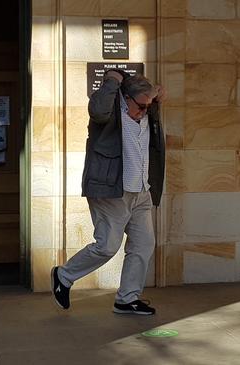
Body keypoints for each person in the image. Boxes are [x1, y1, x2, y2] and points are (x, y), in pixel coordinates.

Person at [51, 69, 166, 315]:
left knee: (144, 244)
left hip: (142, 192)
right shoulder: (110, 117)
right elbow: (98, 109)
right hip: (111, 191)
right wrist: (113, 79)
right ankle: (64, 275)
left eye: (148, 106)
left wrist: (154, 97)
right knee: (107, 246)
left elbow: (150, 102)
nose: (145, 111)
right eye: (141, 106)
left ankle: (127, 298)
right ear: (126, 99)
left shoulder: (145, 113)